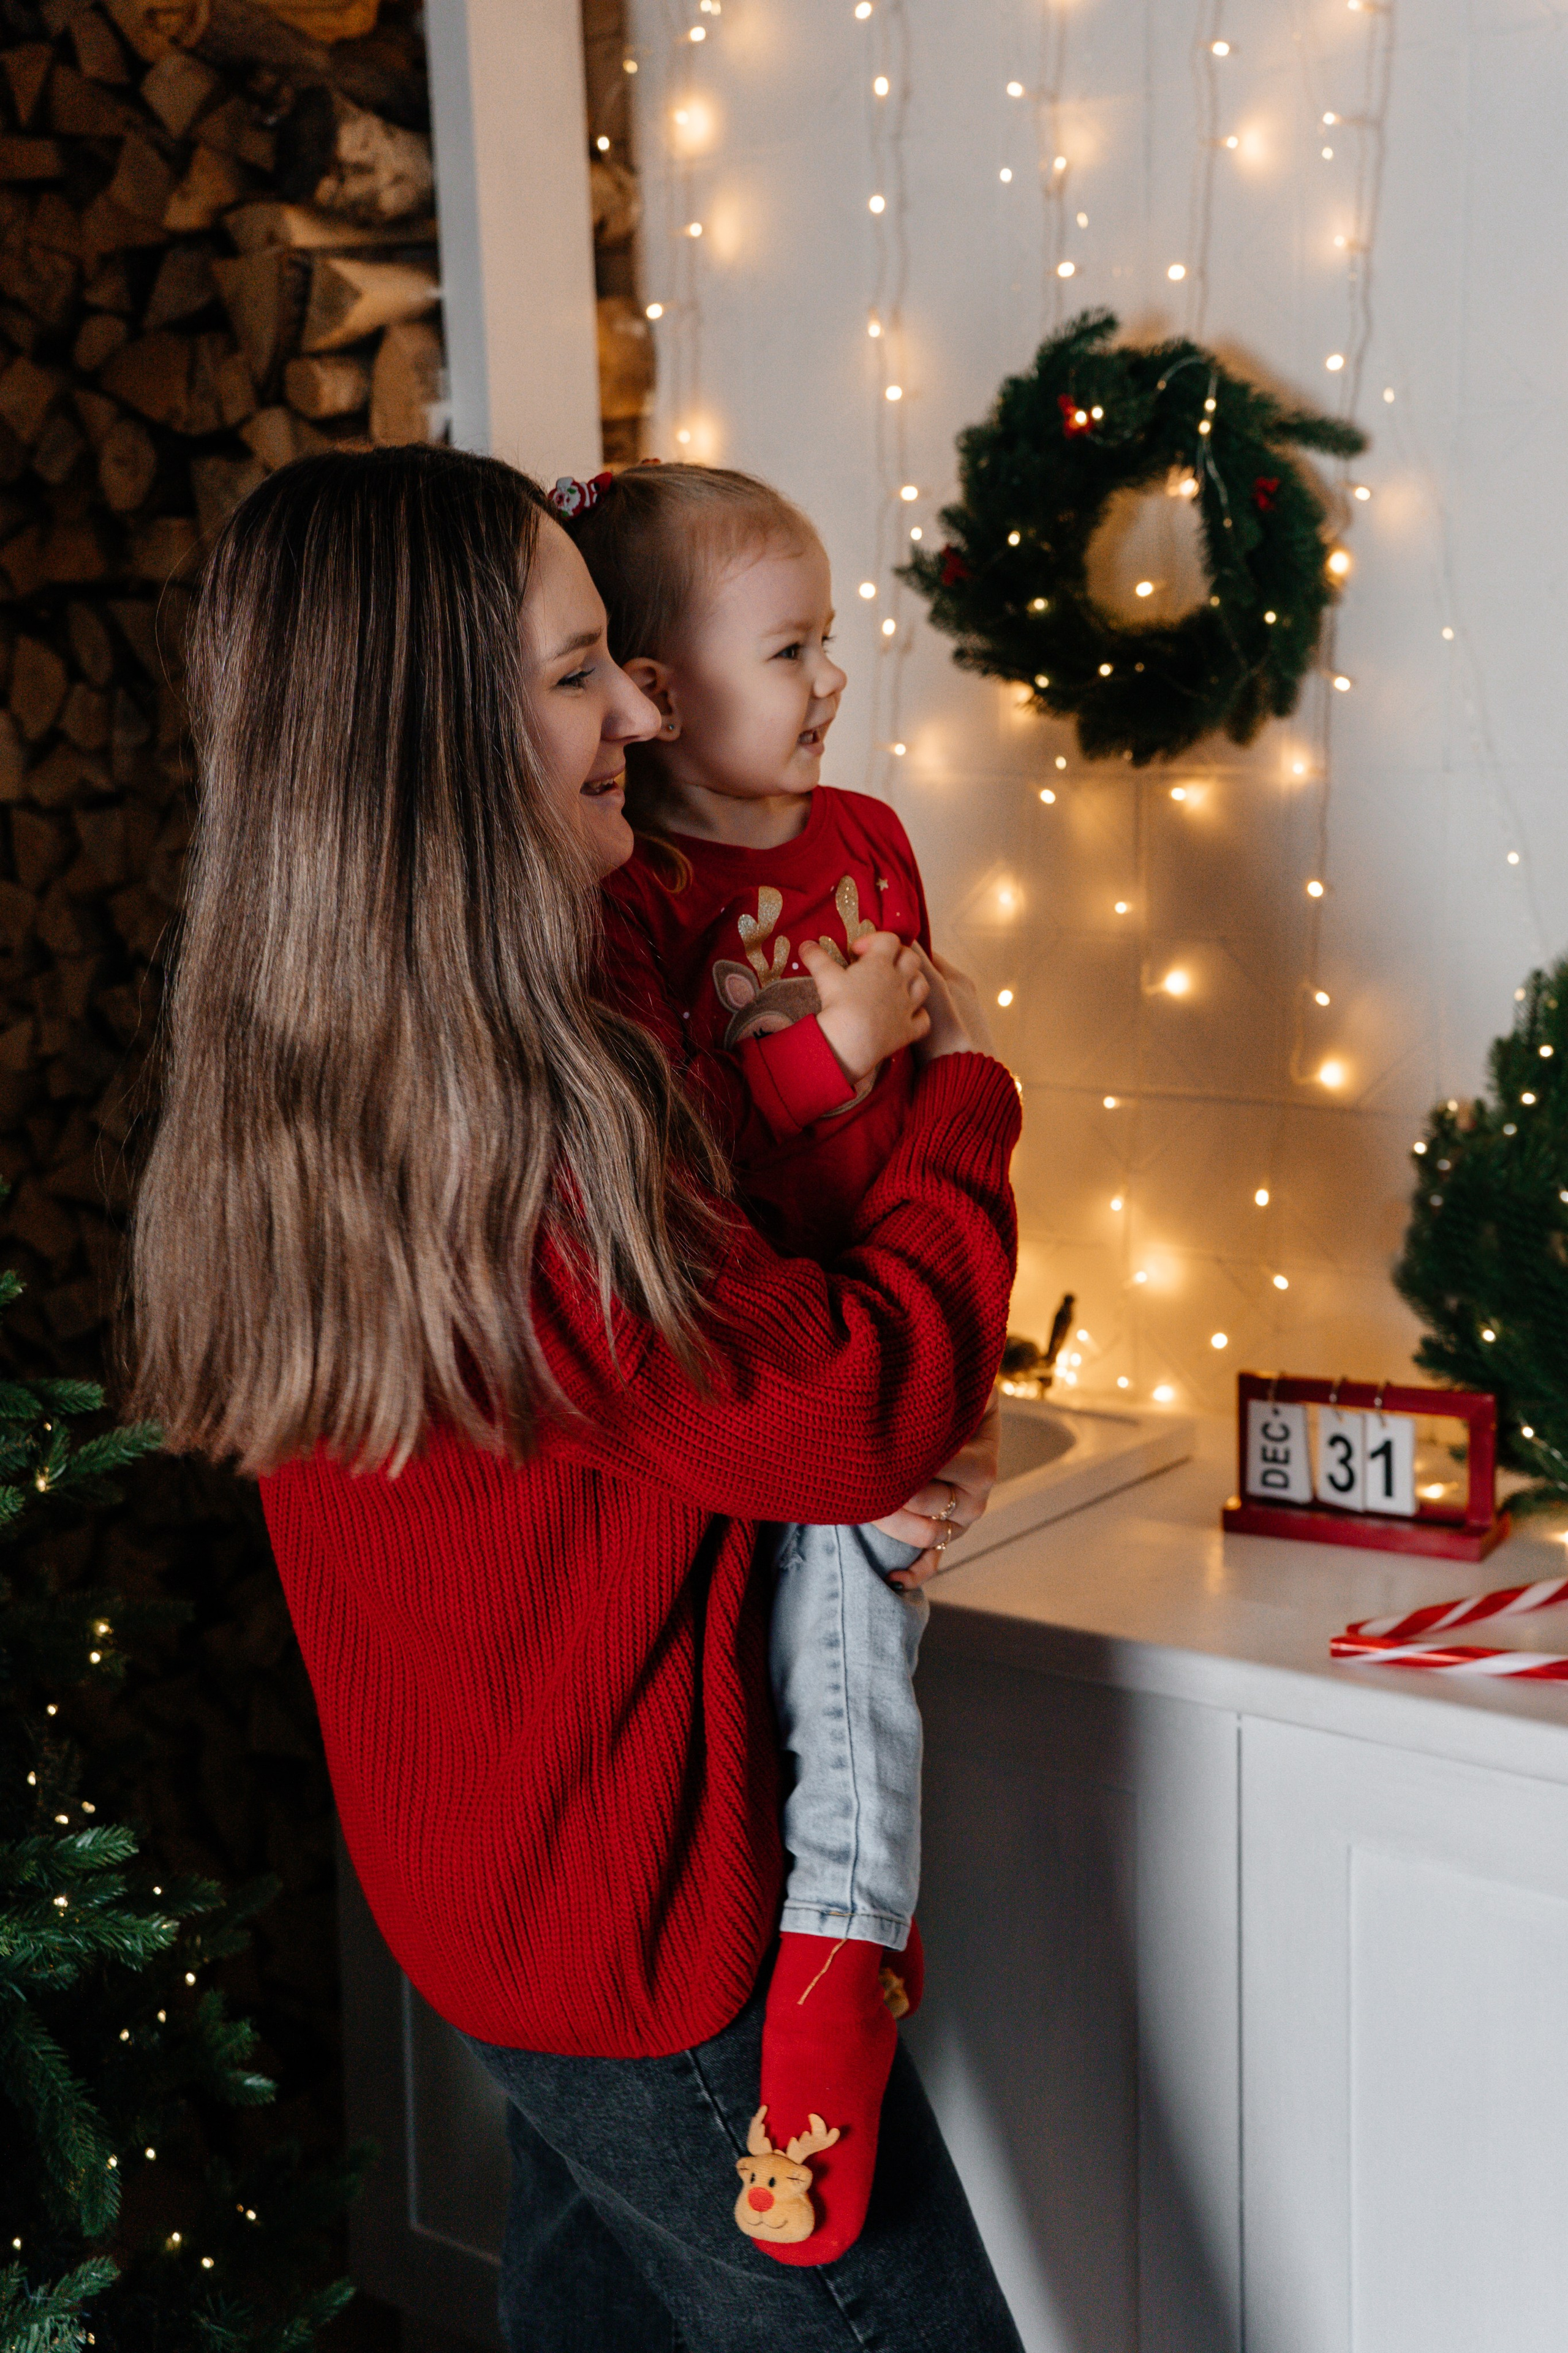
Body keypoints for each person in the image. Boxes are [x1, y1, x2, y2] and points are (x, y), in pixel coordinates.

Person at [130, 446, 1026, 2353]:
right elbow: (842, 1404)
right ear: (431, 745)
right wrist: (962, 1098)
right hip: (643, 1926)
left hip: (504, 1884)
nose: (641, 708)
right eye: (574, 674)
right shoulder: (518, 1126)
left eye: (625, 654)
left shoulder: (351, 1054)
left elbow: (692, 1418)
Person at [562, 460, 986, 2265]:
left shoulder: (868, 836)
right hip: (753, 1365)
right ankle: (842, 1939)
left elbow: (930, 1107)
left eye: (832, 644)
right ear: (655, 686)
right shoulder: (632, 899)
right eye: (790, 647)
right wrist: (847, 1049)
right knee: (834, 1661)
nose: (830, 683)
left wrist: (935, 1382)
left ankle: (843, 1920)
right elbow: (686, 1163)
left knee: (854, 1627)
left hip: (861, 1334)